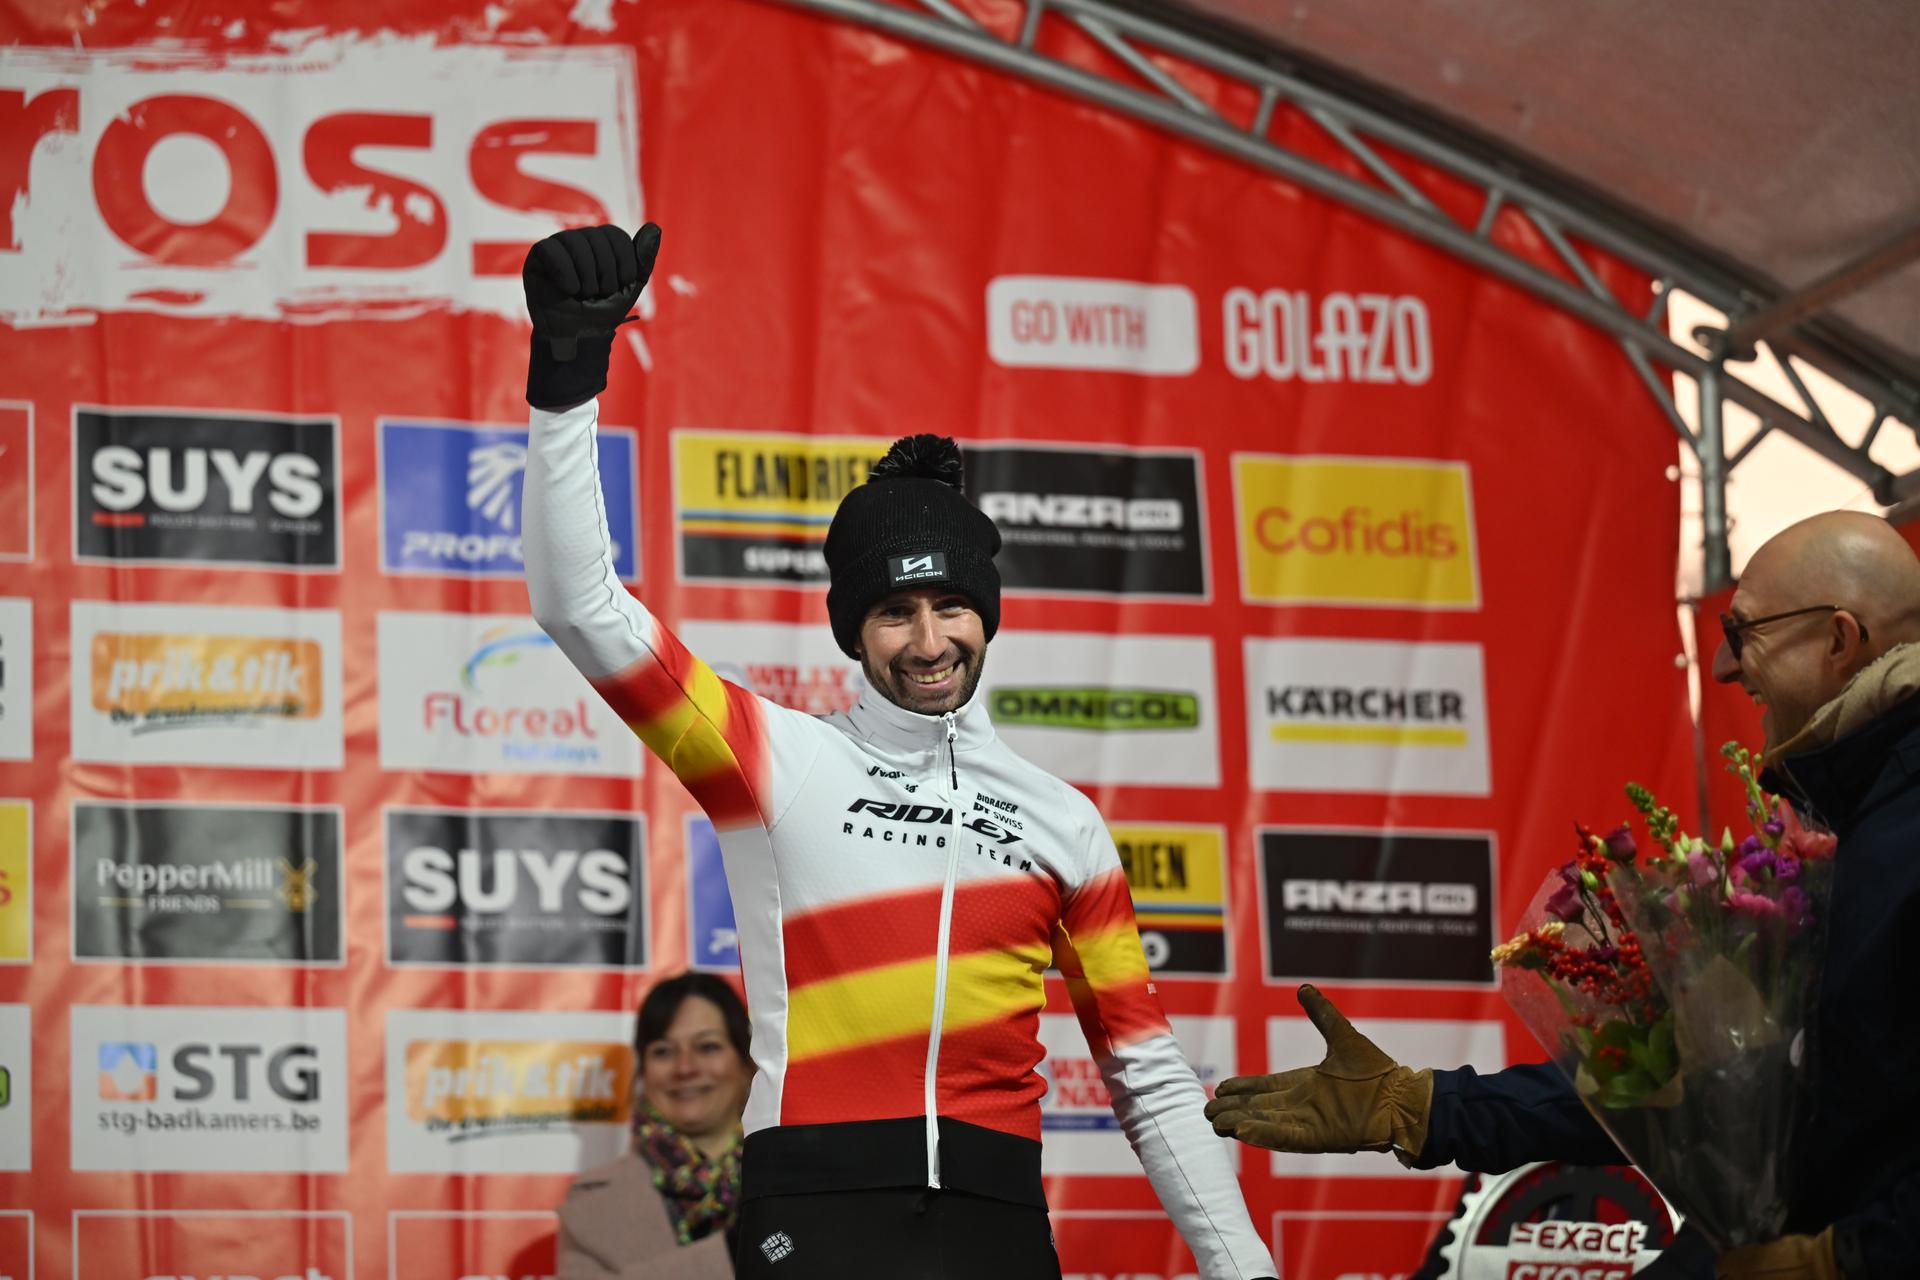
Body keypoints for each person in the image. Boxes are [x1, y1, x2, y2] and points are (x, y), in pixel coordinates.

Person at [520, 223, 1277, 1280]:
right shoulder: (771, 757)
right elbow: (580, 607)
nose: (928, 642)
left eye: (952, 606)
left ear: (989, 613)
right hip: (818, 1215)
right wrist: (568, 377)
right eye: (895, 612)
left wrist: (1247, 1269)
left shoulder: (1065, 820)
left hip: (999, 1223)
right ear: (851, 628)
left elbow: (1146, 1073)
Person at [1204, 511, 1920, 1280]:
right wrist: (1424, 1108)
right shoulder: (1858, 824)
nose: (1720, 664)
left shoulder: (1896, 829)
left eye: (1742, 630)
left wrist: (1842, 1260)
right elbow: (1714, 1088)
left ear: (1841, 640)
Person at [558, 973, 753, 1280]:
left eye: (708, 1047)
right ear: (643, 1072)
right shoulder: (590, 1204)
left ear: (746, 1064)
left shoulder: (796, 1182)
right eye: (663, 1051)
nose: (685, 1068)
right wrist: (729, 1253)